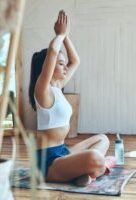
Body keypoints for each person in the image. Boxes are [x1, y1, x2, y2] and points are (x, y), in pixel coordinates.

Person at [28, 10, 116, 186]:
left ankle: (84, 174)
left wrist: (66, 36)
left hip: (62, 151)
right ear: (48, 67)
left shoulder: (58, 87)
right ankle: (95, 169)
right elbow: (53, 51)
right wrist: (59, 34)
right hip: (48, 163)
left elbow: (75, 61)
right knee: (95, 158)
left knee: (102, 139)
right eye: (60, 64)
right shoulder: (42, 90)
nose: (65, 67)